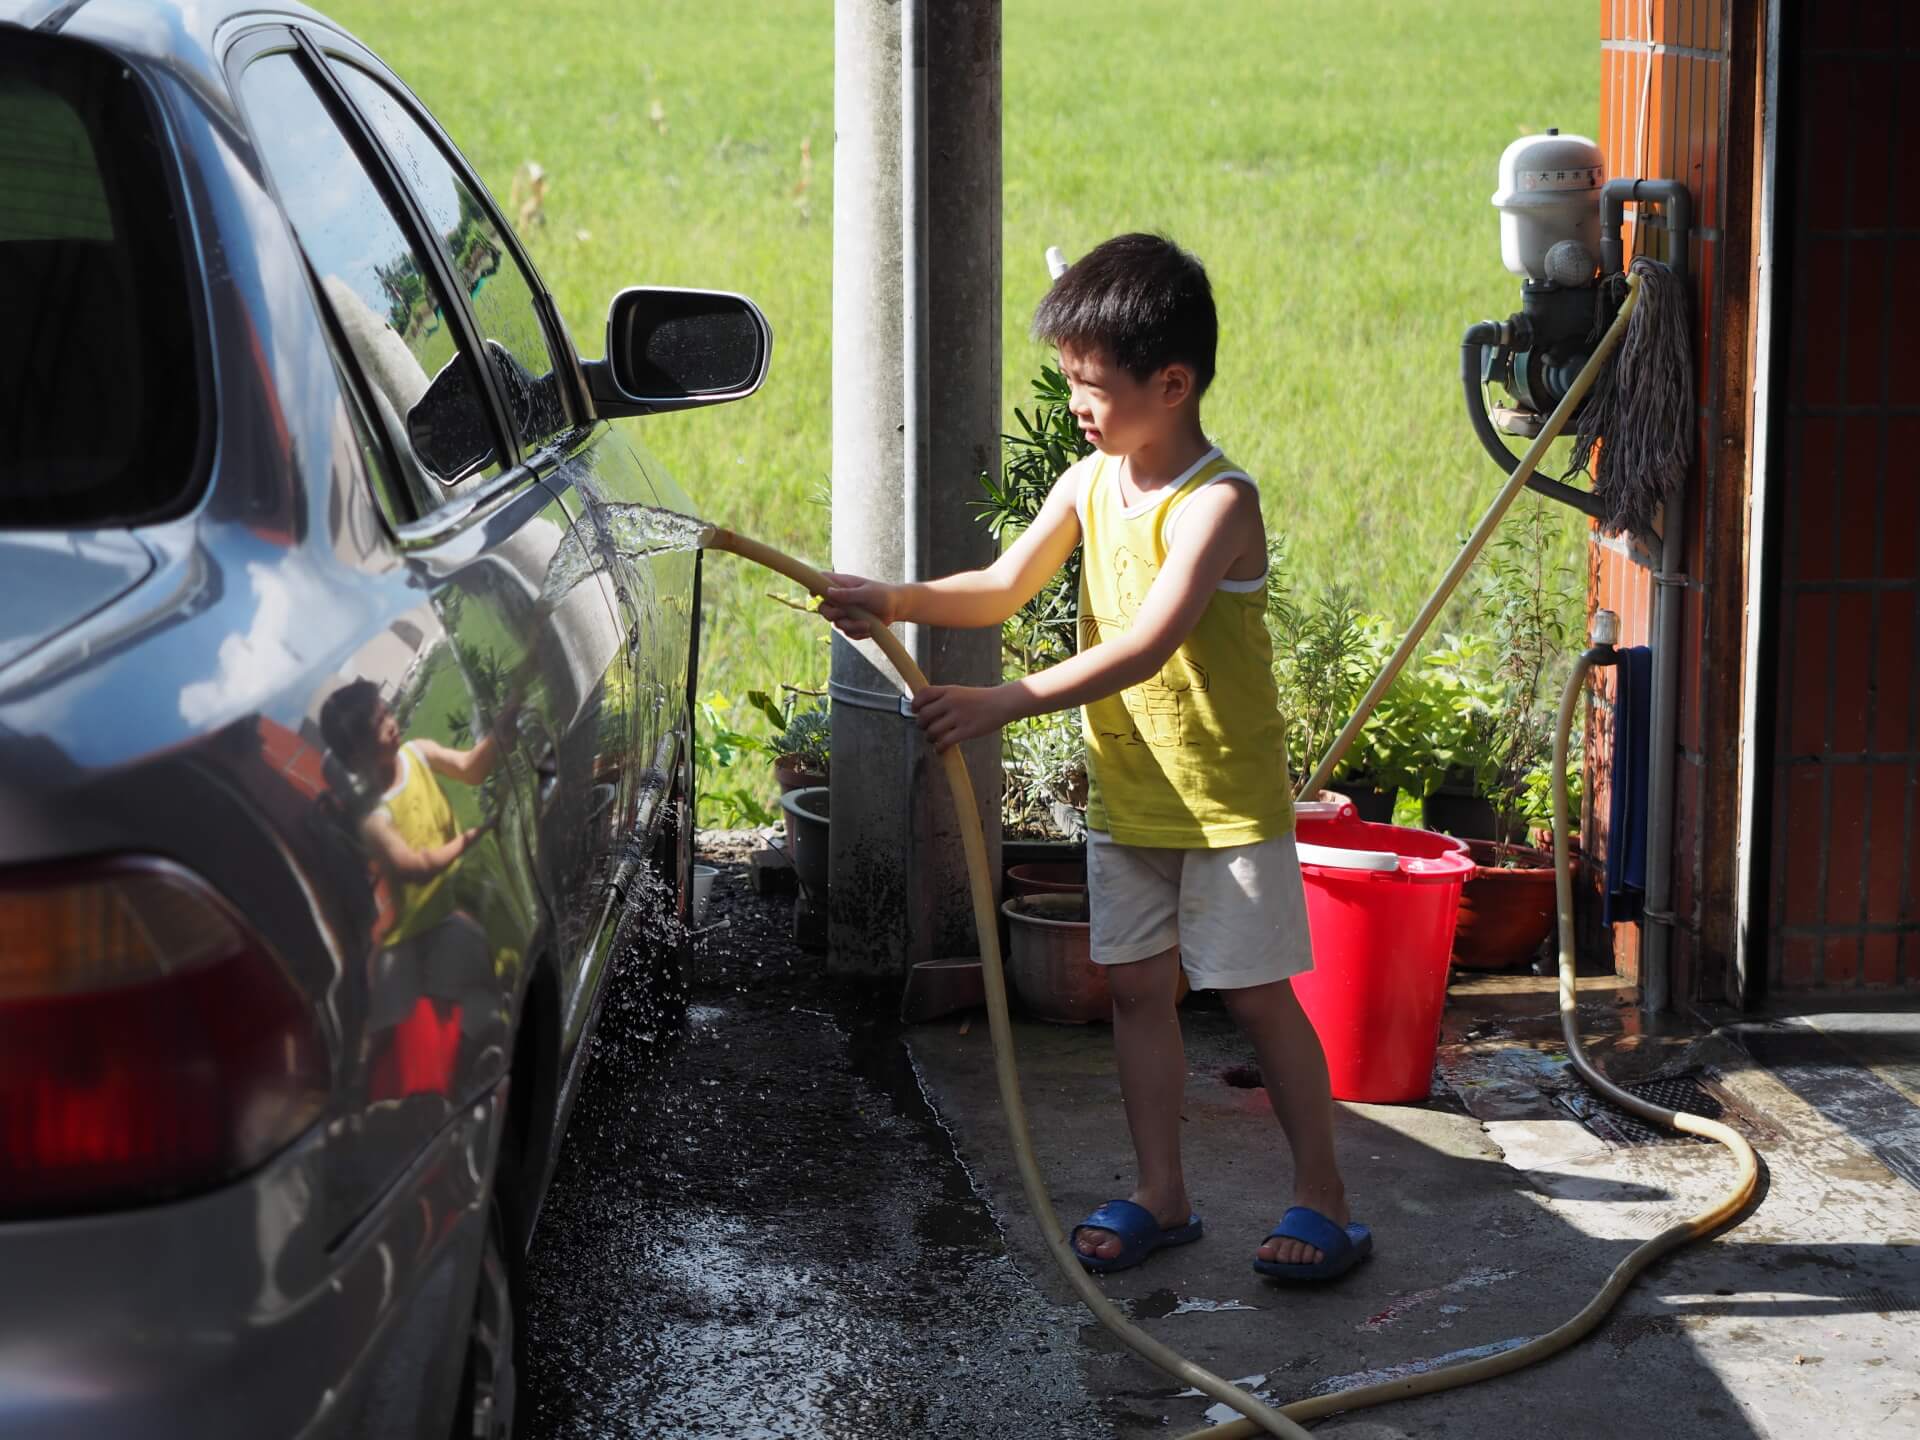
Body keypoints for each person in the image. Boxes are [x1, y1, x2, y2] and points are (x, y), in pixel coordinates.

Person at [820, 233, 1371, 1281]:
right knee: (1133, 994)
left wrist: (997, 703)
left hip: (1224, 808)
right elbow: (999, 584)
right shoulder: (1088, 481)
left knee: (1256, 1000)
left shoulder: (1219, 505)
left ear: (1173, 383)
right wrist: (887, 599)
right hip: (1131, 800)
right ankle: (1164, 1194)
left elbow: (1145, 645)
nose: (1076, 401)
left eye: (1092, 384)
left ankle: (1326, 1202)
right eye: (1069, 379)